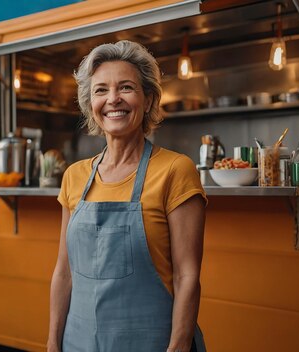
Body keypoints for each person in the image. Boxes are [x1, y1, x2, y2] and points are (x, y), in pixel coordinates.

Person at [47, 41, 207, 352]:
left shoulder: (176, 170)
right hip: (77, 344)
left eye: (126, 87)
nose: (113, 99)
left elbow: (187, 275)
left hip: (152, 344)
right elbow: (64, 272)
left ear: (147, 100)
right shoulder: (74, 176)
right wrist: (53, 343)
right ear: (90, 103)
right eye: (101, 90)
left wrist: (178, 346)